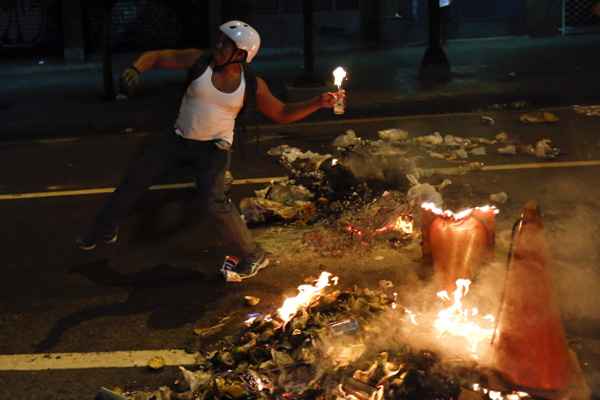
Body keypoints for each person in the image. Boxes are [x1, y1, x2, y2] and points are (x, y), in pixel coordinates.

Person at [76, 20, 342, 282]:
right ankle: (103, 230)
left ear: (241, 54)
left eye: (226, 44)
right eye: (221, 41)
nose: (218, 46)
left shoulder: (251, 84)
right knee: (134, 180)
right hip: (178, 139)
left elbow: (282, 112)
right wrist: (136, 68)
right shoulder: (199, 62)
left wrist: (317, 102)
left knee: (214, 203)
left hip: (214, 149)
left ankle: (254, 255)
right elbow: (158, 56)